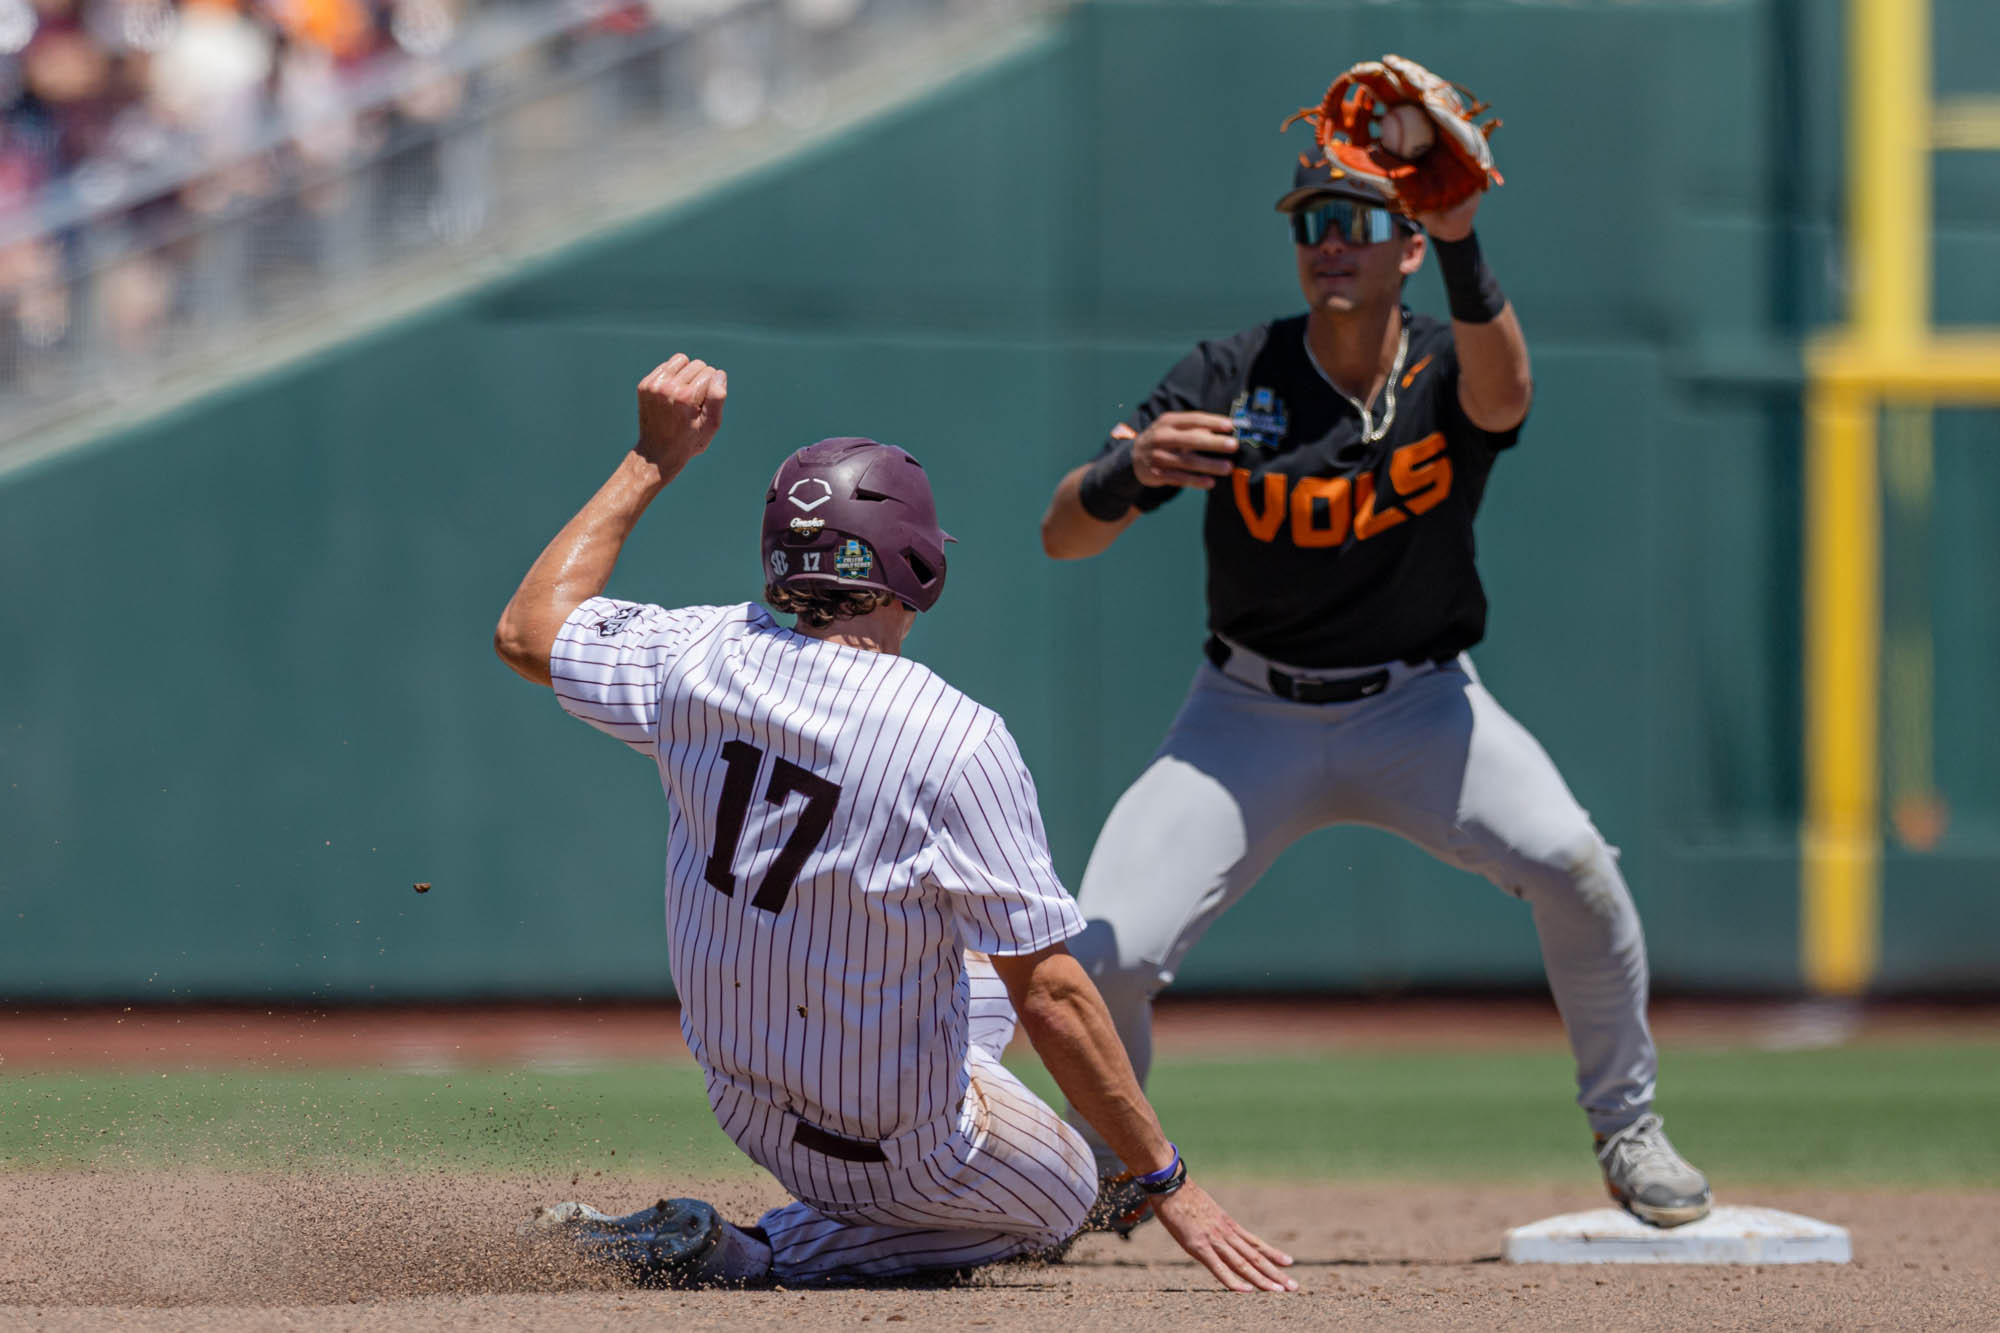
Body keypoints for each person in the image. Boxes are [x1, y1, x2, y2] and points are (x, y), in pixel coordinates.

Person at [493, 353, 1298, 1291]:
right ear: (917, 561)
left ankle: (784, 1219)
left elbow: (527, 629)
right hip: (888, 1145)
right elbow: (1056, 995)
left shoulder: (693, 655)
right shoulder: (953, 736)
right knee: (1072, 1188)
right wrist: (1169, 1181)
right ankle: (753, 1251)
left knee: (967, 968)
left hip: (743, 1103)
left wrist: (650, 459)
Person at [1038, 153, 1713, 1229]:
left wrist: (1460, 236)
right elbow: (1061, 535)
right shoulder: (1233, 369)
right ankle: (1106, 1166)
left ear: (1407, 247)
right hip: (1243, 716)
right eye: (1310, 223)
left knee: (1574, 866)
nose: (1329, 242)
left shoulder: (1448, 364)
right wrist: (1128, 472)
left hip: (1418, 709)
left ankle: (1626, 1127)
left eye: (1355, 219)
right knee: (1104, 952)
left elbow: (1509, 395)